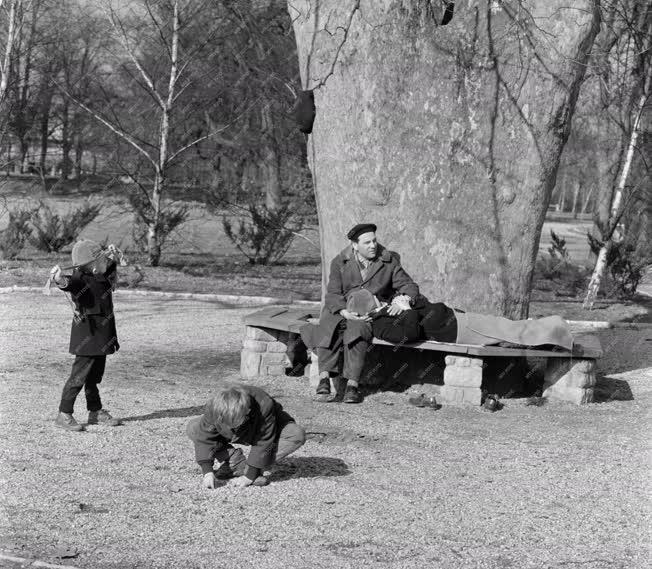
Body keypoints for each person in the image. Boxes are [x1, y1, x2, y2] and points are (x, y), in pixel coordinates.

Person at [300, 223, 418, 404]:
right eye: (367, 243)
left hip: (367, 310)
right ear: (355, 245)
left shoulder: (388, 261)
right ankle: (324, 378)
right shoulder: (340, 262)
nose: (373, 246)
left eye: (374, 241)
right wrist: (344, 311)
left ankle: (352, 385)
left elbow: (409, 286)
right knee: (329, 325)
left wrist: (403, 300)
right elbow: (332, 293)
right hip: (341, 308)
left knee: (358, 331)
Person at [50, 239, 123, 432]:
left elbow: (110, 266)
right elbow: (68, 283)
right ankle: (64, 413)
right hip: (87, 337)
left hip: (102, 336)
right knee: (79, 376)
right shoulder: (80, 277)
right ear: (90, 263)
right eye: (100, 258)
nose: (104, 261)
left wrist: (112, 255)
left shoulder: (100, 273)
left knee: (94, 376)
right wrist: (58, 279)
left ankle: (95, 411)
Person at [186, 383, 306, 488]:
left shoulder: (264, 405)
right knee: (193, 427)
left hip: (265, 429)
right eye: (226, 422)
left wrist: (249, 476)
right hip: (239, 430)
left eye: (235, 422)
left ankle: (253, 467)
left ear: (247, 411)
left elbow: (264, 441)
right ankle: (235, 461)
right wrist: (207, 471)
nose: (231, 427)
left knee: (296, 435)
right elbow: (204, 437)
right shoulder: (215, 406)